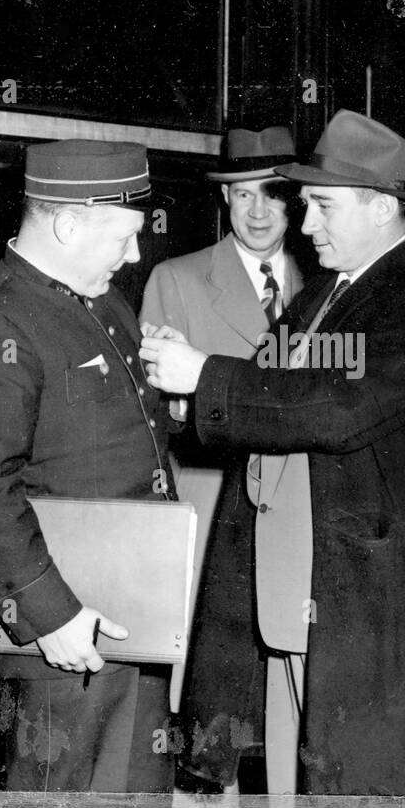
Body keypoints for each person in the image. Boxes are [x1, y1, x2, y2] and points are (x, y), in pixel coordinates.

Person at [140, 110, 405, 804]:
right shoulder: (327, 291)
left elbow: (336, 407)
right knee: (301, 789)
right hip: (289, 580)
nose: (305, 220)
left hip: (358, 586)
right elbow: (277, 391)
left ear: (382, 207)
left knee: (365, 802)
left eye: (322, 204)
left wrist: (205, 375)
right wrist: (189, 403)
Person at [0, 139, 176, 794]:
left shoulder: (101, 304)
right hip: (63, 645)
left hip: (129, 622)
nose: (135, 255)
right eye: (125, 237)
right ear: (69, 225)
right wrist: (49, 614)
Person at [139, 126, 304, 657]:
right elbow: (152, 416)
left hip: (300, 508)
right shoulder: (177, 279)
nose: (258, 212)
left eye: (272, 193)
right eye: (243, 194)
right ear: (224, 198)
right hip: (211, 501)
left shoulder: (327, 283)